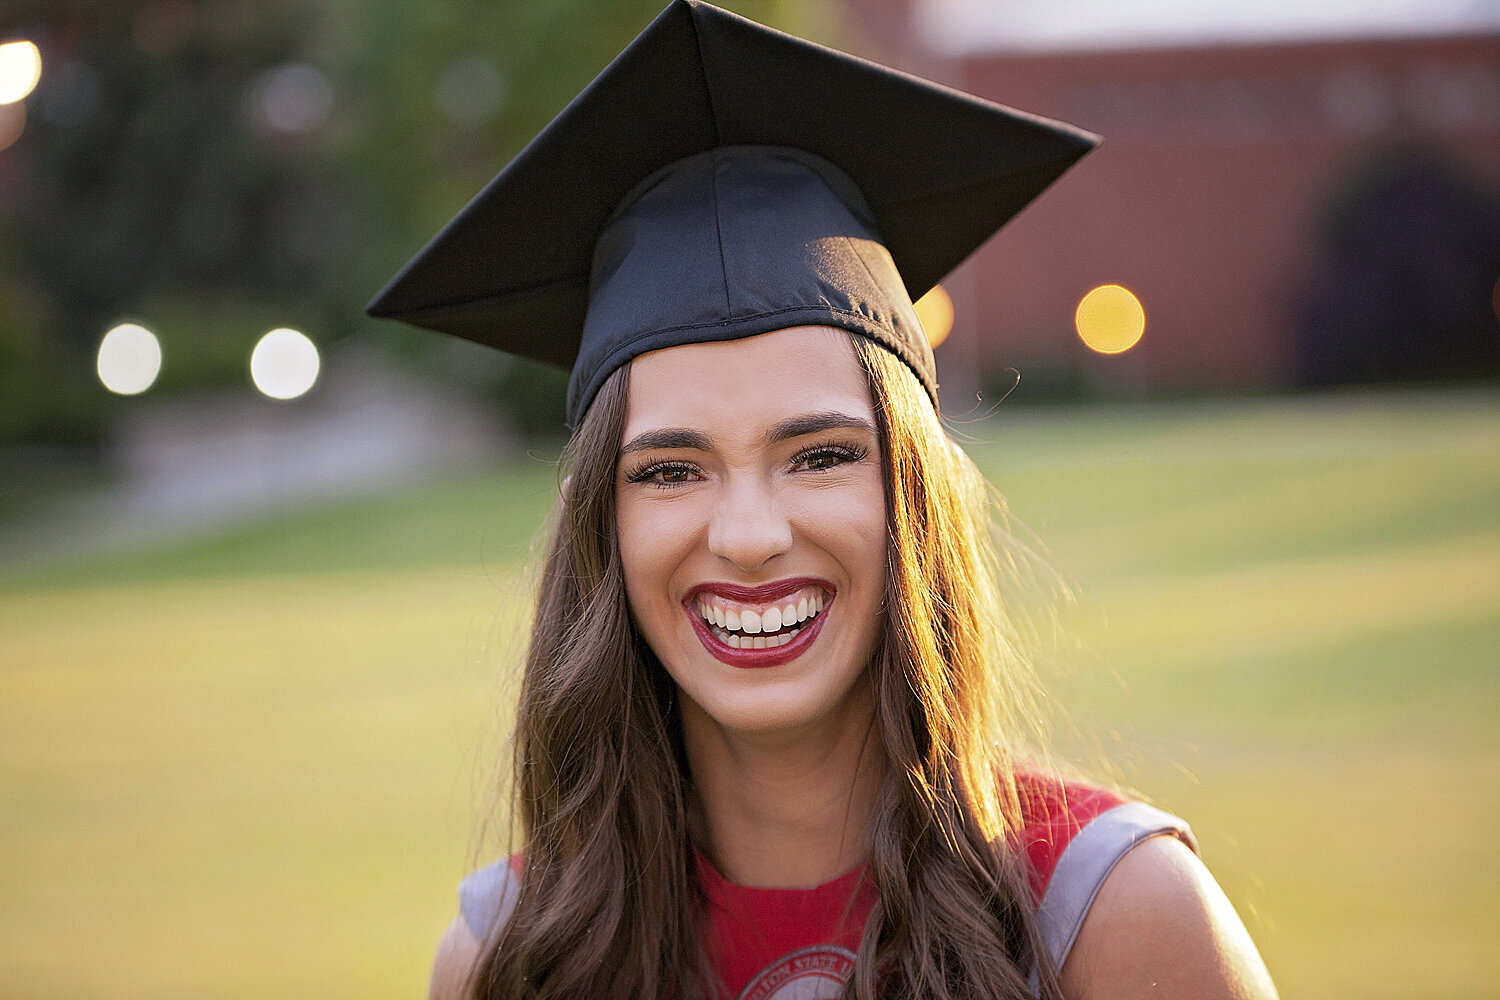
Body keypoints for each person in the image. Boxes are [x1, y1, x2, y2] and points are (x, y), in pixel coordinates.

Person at [368, 3, 1280, 998]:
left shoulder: (1113, 917)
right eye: (670, 469)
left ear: (912, 495)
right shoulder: (515, 958)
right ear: (602, 525)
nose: (752, 536)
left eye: (822, 455)